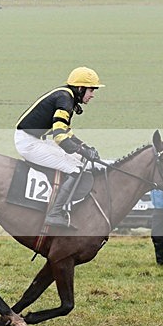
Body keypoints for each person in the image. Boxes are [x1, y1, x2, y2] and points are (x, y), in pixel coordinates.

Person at [15, 66, 104, 229]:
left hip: (35, 139)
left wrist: (84, 147)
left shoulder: (66, 96)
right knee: (76, 169)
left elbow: (67, 132)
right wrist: (82, 151)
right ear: (80, 88)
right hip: (29, 143)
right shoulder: (65, 100)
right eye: (91, 90)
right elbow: (60, 137)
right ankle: (54, 214)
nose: (92, 95)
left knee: (78, 159)